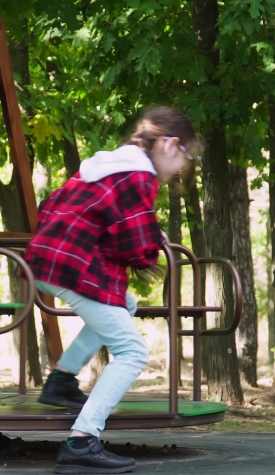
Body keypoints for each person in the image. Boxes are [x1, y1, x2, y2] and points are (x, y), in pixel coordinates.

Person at [26, 106, 199, 474]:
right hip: (76, 266)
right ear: (170, 144)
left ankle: (60, 381)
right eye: (186, 155)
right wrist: (150, 247)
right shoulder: (139, 176)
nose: (184, 166)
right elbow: (132, 247)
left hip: (51, 259)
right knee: (133, 353)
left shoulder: (108, 167)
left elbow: (107, 221)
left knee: (127, 302)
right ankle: (81, 441)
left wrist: (148, 237)